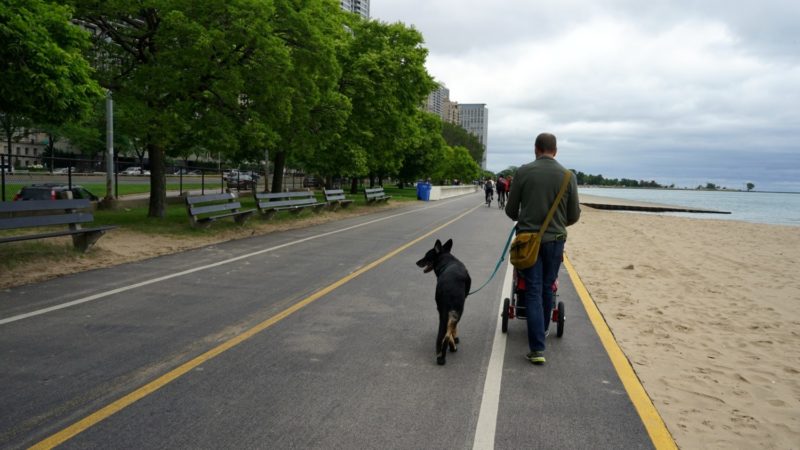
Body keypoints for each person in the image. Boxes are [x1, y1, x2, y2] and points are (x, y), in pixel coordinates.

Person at [505, 132, 581, 365]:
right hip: (556, 241)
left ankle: (537, 348)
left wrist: (526, 221)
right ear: (555, 150)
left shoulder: (523, 172)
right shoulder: (568, 176)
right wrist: (556, 226)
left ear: (536, 149)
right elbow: (574, 215)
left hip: (528, 240)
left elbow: (510, 210)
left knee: (533, 290)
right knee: (549, 286)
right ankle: (544, 330)